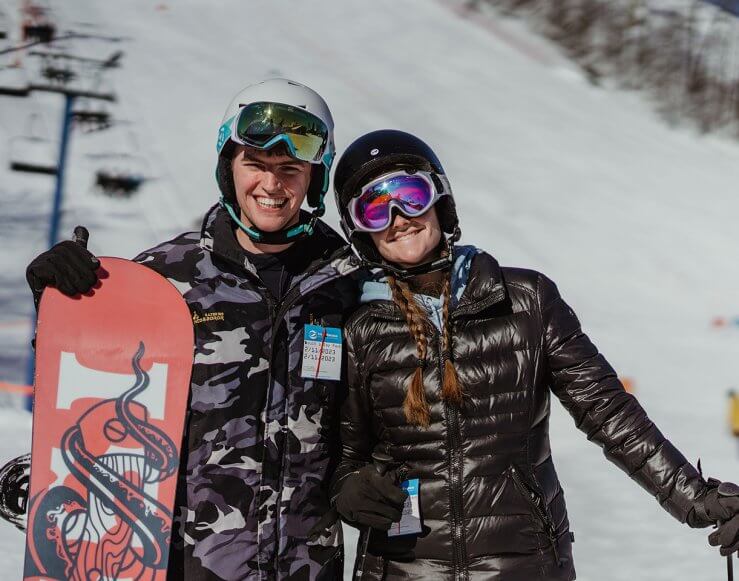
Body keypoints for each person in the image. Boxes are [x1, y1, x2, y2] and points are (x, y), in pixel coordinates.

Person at [329, 129, 739, 580]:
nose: (398, 217)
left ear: (439, 199)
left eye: (410, 194)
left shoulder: (525, 300)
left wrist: (694, 496)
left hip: (523, 566)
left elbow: (607, 411)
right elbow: (345, 457)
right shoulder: (359, 330)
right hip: (403, 570)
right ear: (360, 231)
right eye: (374, 208)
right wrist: (349, 490)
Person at [19, 78, 361, 580]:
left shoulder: (350, 285)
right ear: (228, 166)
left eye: (291, 169)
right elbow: (87, 395)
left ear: (316, 177)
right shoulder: (164, 278)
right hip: (183, 565)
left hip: (306, 569)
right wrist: (65, 305)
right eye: (256, 164)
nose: (273, 184)